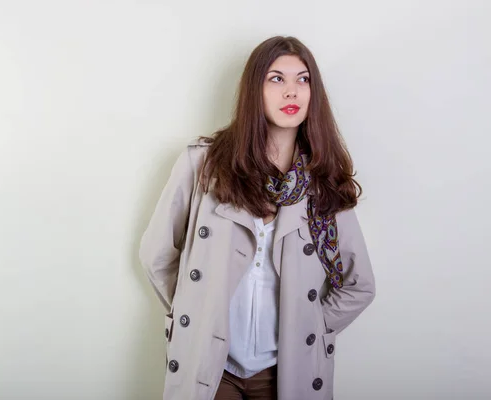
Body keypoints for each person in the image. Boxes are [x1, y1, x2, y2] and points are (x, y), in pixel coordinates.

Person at [139, 36, 376, 400]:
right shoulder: (205, 165)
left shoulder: (323, 182)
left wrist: (312, 327)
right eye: (276, 79)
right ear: (255, 89)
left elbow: (358, 284)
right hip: (211, 367)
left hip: (284, 371)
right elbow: (157, 254)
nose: (292, 92)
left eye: (303, 79)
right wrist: (197, 309)